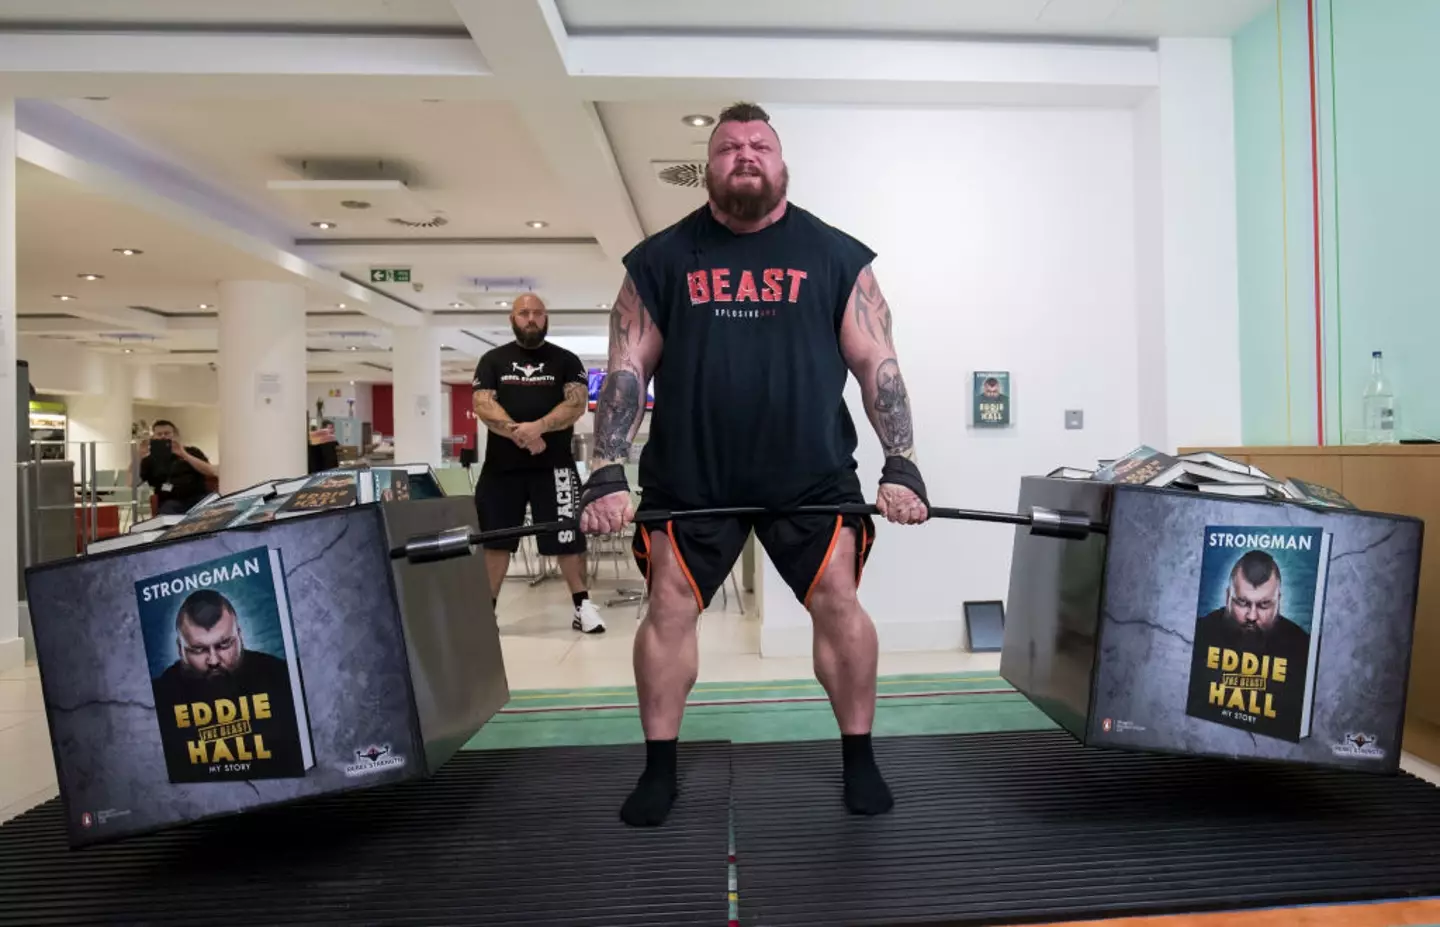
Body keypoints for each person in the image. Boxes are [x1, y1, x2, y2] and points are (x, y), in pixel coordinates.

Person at [578, 102, 929, 827]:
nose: (745, 155)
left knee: (838, 603)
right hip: (691, 475)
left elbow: (878, 366)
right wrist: (607, 467)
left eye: (759, 145)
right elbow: (625, 369)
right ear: (706, 167)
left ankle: (860, 757)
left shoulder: (837, 257)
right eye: (729, 147)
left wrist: (903, 462)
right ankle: (659, 767)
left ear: (781, 162)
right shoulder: (660, 260)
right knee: (669, 608)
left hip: (811, 473)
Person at [472, 293, 606, 633]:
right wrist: (520, 433)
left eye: (537, 313)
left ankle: (582, 607)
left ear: (546, 318)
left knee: (568, 536)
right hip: (502, 469)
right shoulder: (493, 360)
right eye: (523, 313)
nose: (531, 318)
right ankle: (486, 611)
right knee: (495, 540)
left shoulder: (566, 360)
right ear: (512, 319)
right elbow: (483, 404)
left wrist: (539, 427)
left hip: (556, 467)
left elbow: (575, 404)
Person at [150, 590, 301, 773]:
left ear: (240, 637)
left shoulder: (282, 677)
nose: (213, 660)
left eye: (224, 645)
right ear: (180, 649)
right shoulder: (159, 699)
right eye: (198, 650)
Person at [139, 420, 217, 515]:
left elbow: (210, 471)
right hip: (171, 502)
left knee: (213, 510)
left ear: (175, 435)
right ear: (154, 438)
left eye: (167, 433)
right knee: (168, 511)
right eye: (159, 434)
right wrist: (138, 457)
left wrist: (184, 455)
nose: (163, 436)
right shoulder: (150, 460)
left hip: (198, 498)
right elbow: (132, 483)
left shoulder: (192, 451)